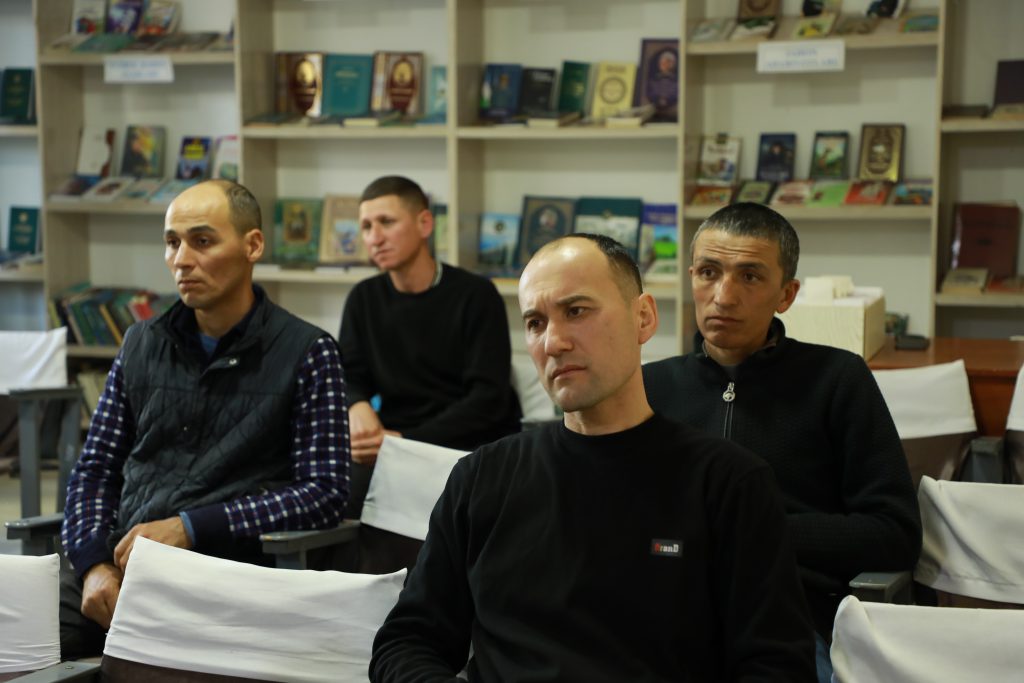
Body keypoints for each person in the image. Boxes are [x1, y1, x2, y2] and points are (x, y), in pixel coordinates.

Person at [370, 234, 817, 682]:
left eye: (576, 311)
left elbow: (777, 666)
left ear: (643, 318)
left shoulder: (727, 483)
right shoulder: (483, 477)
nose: (554, 342)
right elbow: (406, 643)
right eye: (535, 323)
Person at [59, 180, 351, 658]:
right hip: (122, 568)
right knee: (17, 634)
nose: (181, 260)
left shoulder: (308, 352)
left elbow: (324, 494)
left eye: (202, 241)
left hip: (224, 574)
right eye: (172, 242)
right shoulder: (141, 343)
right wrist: (93, 563)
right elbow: (95, 470)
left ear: (252, 245)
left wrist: (192, 527)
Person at [643, 202, 921, 682]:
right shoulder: (649, 387)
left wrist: (752, 531)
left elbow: (894, 534)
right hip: (659, 617)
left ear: (786, 294)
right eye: (708, 273)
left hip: (785, 621)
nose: (723, 296)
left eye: (750, 276)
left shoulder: (837, 379)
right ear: (691, 278)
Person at [337, 175, 520, 508]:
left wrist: (406, 442)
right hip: (393, 444)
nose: (374, 237)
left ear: (424, 224)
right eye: (366, 226)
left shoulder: (476, 295)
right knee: (336, 491)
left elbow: (488, 400)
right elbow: (349, 374)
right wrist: (357, 405)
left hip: (470, 443)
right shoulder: (364, 298)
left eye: (386, 222)